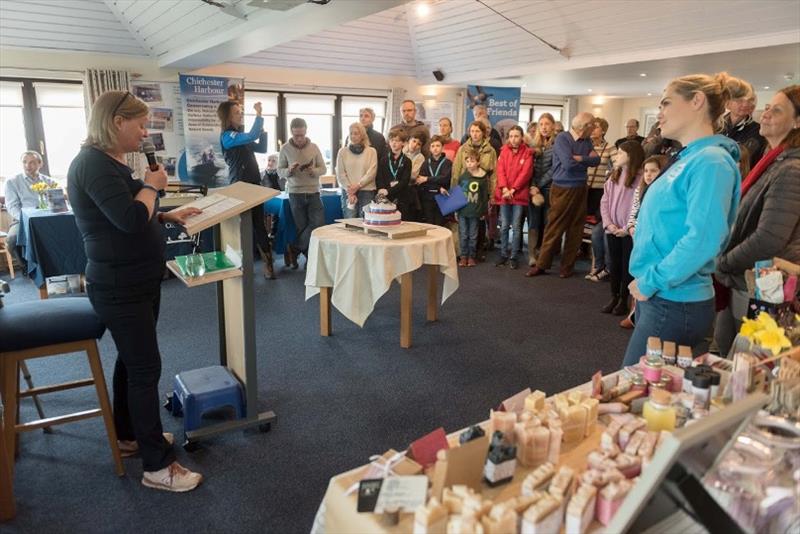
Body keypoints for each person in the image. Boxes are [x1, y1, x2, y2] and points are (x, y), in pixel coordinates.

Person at [67, 90, 203, 492]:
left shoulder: (108, 163)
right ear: (116, 123)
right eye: (140, 124)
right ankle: (157, 467)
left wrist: (164, 213)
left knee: (132, 363)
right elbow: (128, 219)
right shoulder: (93, 165)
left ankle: (130, 436)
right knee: (145, 369)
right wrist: (152, 186)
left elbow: (124, 212)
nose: (145, 132)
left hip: (135, 279)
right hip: (120, 284)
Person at [621, 72, 743, 367]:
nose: (659, 114)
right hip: (665, 296)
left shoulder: (711, 161)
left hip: (674, 300)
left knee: (635, 390)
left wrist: (652, 281)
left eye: (666, 103)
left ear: (697, 101)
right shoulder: (689, 157)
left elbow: (702, 239)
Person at [715, 85, 800, 355]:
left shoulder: (792, 169)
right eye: (767, 107)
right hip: (743, 277)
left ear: (797, 122)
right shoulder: (775, 160)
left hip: (764, 285)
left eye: (777, 110)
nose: (765, 114)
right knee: (725, 358)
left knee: (746, 370)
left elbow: (769, 239)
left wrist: (723, 262)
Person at [526, 112, 600, 278]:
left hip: (581, 187)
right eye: (593, 125)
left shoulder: (587, 140)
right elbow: (567, 164)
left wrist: (580, 158)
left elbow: (597, 160)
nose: (595, 128)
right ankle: (542, 265)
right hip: (562, 189)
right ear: (584, 127)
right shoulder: (562, 139)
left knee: (576, 228)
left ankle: (567, 267)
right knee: (554, 227)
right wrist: (586, 159)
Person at [218, 100, 274, 279]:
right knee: (239, 226)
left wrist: (263, 133)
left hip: (254, 184)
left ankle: (268, 263)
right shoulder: (228, 136)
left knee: (259, 225)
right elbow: (251, 136)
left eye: (241, 111)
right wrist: (259, 116)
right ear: (227, 116)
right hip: (239, 186)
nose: (240, 114)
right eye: (236, 112)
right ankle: (238, 264)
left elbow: (262, 148)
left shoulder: (240, 136)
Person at [620, 154, 668, 329]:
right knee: (638, 276)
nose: (648, 175)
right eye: (646, 171)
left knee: (647, 280)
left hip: (652, 241)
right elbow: (634, 211)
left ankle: (640, 317)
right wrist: (631, 226)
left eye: (653, 171)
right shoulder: (641, 189)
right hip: (637, 236)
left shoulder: (664, 191)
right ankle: (634, 314)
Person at [600, 140, 644, 316]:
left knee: (627, 266)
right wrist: (609, 224)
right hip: (612, 229)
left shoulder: (641, 178)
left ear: (630, 156)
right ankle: (614, 296)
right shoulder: (614, 175)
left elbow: (639, 206)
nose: (616, 156)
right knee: (614, 264)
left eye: (620, 153)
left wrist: (627, 228)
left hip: (628, 232)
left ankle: (624, 300)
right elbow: (604, 201)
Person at [277, 118, 327, 263]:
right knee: (301, 227)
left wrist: (314, 171)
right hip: (295, 192)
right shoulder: (285, 148)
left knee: (318, 224)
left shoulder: (314, 147)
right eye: (296, 136)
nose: (299, 139)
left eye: (301, 135)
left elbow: (323, 168)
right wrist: (289, 171)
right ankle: (310, 260)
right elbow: (280, 171)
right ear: (291, 133)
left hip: (313, 191)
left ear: (306, 131)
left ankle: (294, 248)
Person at [452, 121, 498, 260]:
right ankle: (464, 254)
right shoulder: (462, 149)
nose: (475, 134)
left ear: (483, 133)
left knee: (478, 223)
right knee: (464, 226)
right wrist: (454, 196)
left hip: (482, 190)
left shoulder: (490, 150)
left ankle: (476, 253)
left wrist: (493, 194)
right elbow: (456, 172)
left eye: (478, 131)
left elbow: (494, 174)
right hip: (465, 189)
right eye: (472, 131)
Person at [4, 150, 57, 268]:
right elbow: (12, 207)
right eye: (24, 162)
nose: (27, 166)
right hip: (22, 220)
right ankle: (27, 267)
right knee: (13, 239)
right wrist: (26, 219)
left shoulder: (50, 182)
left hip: (47, 218)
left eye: (32, 162)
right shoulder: (12, 182)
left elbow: (57, 203)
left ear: (40, 164)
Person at [495, 125, 533, 269]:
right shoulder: (503, 151)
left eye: (516, 136)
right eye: (511, 136)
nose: (513, 139)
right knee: (504, 226)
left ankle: (514, 256)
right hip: (504, 194)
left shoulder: (527, 153)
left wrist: (513, 189)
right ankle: (504, 254)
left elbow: (525, 174)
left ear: (522, 137)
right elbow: (500, 171)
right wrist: (505, 188)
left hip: (519, 195)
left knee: (517, 227)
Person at [585, 118, 617, 282]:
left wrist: (609, 178)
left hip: (599, 193)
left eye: (596, 127)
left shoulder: (610, 148)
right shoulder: (585, 145)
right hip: (583, 191)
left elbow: (618, 166)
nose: (593, 129)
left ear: (603, 130)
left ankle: (602, 267)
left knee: (598, 229)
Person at [526, 113, 556, 266]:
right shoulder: (533, 145)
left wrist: (538, 186)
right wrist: (532, 186)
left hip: (549, 189)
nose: (544, 127)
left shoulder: (557, 144)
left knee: (547, 222)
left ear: (553, 126)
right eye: (541, 124)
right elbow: (528, 168)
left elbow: (554, 169)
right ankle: (532, 255)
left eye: (547, 124)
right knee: (533, 222)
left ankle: (543, 255)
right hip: (533, 189)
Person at [721, 79, 767, 170]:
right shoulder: (716, 126)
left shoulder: (758, 131)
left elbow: (748, 159)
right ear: (728, 103)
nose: (745, 104)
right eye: (739, 100)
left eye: (750, 100)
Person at [336, 122, 377, 219]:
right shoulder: (342, 152)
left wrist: (358, 185)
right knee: (350, 222)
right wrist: (350, 191)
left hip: (366, 191)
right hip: (348, 192)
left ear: (362, 135)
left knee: (365, 221)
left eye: (356, 133)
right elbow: (340, 174)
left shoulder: (371, 151)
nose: (353, 136)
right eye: (351, 133)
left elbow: (372, 172)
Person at [456, 149, 488, 267]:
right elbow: (458, 194)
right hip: (463, 211)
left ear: (478, 163)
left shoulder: (483, 177)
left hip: (475, 211)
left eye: (472, 161)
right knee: (463, 234)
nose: (469, 163)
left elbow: (484, 196)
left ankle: (471, 256)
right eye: (467, 161)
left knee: (473, 235)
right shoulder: (463, 177)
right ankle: (463, 256)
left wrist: (484, 211)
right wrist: (456, 210)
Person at [376, 129, 414, 219]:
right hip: (386, 197)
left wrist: (389, 191)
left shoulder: (407, 161)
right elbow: (379, 177)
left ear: (403, 143)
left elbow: (404, 181)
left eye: (397, 141)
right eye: (392, 140)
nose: (394, 143)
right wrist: (381, 189)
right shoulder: (384, 160)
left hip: (401, 197)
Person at [416, 135, 452, 226]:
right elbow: (421, 181)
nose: (435, 148)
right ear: (430, 149)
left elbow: (445, 179)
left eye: (438, 146)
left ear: (442, 147)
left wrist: (427, 179)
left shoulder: (447, 163)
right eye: (433, 146)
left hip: (442, 197)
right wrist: (438, 187)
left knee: (440, 224)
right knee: (429, 224)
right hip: (428, 197)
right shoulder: (425, 163)